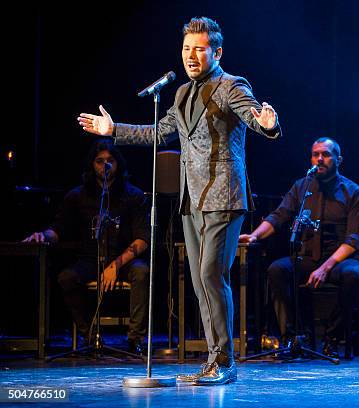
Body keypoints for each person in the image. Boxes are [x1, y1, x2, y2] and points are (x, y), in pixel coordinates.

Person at [77, 17, 280, 385]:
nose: (191, 55)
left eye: (199, 48)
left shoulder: (231, 85)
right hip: (192, 198)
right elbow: (161, 133)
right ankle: (213, 359)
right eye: (186, 48)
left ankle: (225, 362)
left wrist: (266, 123)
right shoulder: (182, 93)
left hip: (224, 195)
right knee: (201, 282)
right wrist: (115, 130)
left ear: (216, 52)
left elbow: (253, 116)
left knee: (210, 274)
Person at [239, 138, 359, 358]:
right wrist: (254, 235)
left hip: (338, 260)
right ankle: (296, 336)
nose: (319, 159)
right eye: (315, 154)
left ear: (338, 159)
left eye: (325, 154)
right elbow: (279, 217)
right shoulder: (302, 186)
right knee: (277, 270)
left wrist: (325, 267)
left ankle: (331, 338)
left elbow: (354, 239)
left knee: (354, 275)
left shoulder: (353, 192)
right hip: (307, 257)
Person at [23, 141, 150, 355]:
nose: (105, 166)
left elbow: (142, 239)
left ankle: (135, 339)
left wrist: (115, 265)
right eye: (100, 161)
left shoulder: (133, 196)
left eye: (110, 161)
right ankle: (90, 335)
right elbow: (59, 229)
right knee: (66, 278)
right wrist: (42, 235)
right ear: (92, 165)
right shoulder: (78, 196)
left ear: (118, 164)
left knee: (142, 271)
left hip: (123, 259)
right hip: (90, 260)